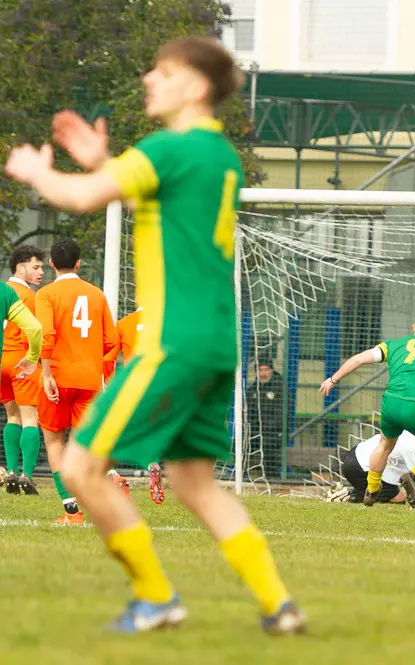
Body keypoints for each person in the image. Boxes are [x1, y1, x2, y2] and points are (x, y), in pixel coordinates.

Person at [4, 36, 304, 634]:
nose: (148, 79)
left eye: (162, 72)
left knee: (81, 466)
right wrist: (103, 161)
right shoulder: (220, 155)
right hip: (217, 342)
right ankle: (279, 603)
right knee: (195, 481)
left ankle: (155, 596)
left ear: (194, 87)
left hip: (173, 340)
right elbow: (152, 193)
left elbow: (81, 197)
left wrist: (37, 171)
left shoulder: (170, 148)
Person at [321, 308, 415, 509]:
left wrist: (333, 379)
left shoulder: (393, 345)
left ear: (414, 327)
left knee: (385, 444)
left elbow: (358, 359)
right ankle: (413, 476)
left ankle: (372, 489)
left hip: (390, 404)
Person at [35, 238, 122, 525]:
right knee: (84, 444)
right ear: (78, 263)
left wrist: (46, 374)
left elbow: (46, 335)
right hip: (89, 379)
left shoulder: (46, 294)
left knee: (54, 442)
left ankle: (72, 512)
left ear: (51, 264)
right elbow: (111, 341)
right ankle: (107, 479)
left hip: (57, 377)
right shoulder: (96, 294)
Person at [103, 307, 165, 505]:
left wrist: (109, 384)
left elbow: (108, 358)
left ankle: (112, 473)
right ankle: (152, 463)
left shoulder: (123, 324)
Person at [0, 245, 45, 494]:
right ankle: (26, 474)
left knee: (12, 416)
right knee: (30, 419)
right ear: (20, 267)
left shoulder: (2, 290)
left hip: (2, 361)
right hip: (21, 360)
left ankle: (10, 471)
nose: (41, 272)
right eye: (36, 267)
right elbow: (35, 331)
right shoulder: (29, 296)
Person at [245, 357, 290, 479]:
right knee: (240, 443)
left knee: (267, 446)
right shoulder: (252, 390)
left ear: (271, 370)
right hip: (256, 432)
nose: (263, 373)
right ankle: (243, 477)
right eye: (260, 370)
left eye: (266, 369)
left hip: (276, 433)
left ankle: (273, 479)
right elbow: (249, 414)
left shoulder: (281, 388)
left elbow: (281, 415)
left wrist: (265, 427)